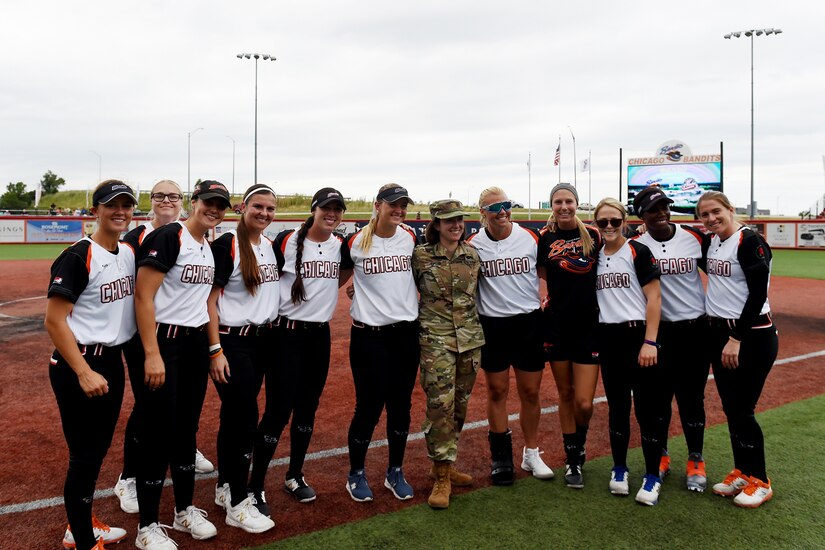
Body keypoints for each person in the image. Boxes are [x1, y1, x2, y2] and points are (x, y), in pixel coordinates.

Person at [132, 180, 231, 549]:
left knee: (186, 430)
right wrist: (152, 353)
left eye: (221, 205)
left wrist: (211, 349)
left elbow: (204, 305)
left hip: (191, 346)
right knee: (158, 434)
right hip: (165, 342)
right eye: (209, 202)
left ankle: (184, 509)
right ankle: (147, 526)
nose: (215, 210)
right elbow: (143, 297)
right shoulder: (170, 237)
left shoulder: (207, 246)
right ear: (194, 202)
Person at [45, 180, 138, 550]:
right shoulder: (78, 255)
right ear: (94, 211)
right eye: (111, 205)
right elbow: (54, 320)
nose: (120, 212)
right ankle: (83, 539)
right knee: (84, 456)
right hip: (78, 364)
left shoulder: (128, 253)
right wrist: (83, 372)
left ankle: (80, 524)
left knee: (95, 452)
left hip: (110, 362)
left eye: (127, 205)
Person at [248, 187, 353, 505]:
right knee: (278, 411)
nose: (332, 214)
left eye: (338, 209)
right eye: (326, 208)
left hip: (318, 336)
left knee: (307, 408)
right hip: (285, 337)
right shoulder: (286, 241)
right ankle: (254, 487)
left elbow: (343, 273)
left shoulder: (340, 246)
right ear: (314, 209)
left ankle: (294, 475)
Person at [116, 179, 214, 514]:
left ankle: (183, 449)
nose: (166, 201)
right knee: (149, 408)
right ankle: (129, 476)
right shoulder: (138, 238)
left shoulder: (197, 238)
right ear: (151, 201)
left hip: (185, 334)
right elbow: (133, 290)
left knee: (179, 411)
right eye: (159, 196)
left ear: (183, 200)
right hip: (145, 332)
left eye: (173, 196)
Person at [206, 184, 280, 532]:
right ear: (244, 208)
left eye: (270, 208)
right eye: (258, 207)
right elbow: (208, 301)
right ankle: (238, 502)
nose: (264, 214)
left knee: (234, 418)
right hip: (232, 343)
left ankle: (225, 487)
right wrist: (215, 350)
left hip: (261, 341)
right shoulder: (226, 245)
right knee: (245, 419)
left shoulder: (266, 246)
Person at [467, 187, 553, 485]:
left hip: (528, 324)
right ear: (483, 213)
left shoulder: (531, 238)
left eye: (506, 205)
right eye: (495, 207)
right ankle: (501, 457)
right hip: (492, 326)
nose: (503, 211)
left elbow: (550, 273)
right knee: (497, 391)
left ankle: (531, 453)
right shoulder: (473, 245)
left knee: (530, 392)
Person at [697, 191, 778, 508]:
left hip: (752, 336)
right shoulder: (713, 241)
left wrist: (737, 338)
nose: (711, 219)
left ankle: (761, 479)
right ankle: (743, 471)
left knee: (743, 409)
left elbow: (758, 294)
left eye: (715, 212)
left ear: (730, 209)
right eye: (704, 215)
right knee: (732, 408)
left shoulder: (750, 242)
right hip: (720, 333)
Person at [342, 184, 420, 502]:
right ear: (378, 206)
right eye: (393, 205)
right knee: (369, 407)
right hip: (369, 336)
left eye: (403, 205)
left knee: (401, 406)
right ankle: (356, 474)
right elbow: (340, 278)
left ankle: (395, 471)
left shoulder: (411, 238)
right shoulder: (356, 242)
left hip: (405, 334)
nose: (399, 210)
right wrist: (352, 289)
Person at [633, 186, 711, 492]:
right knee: (659, 400)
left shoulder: (693, 238)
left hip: (694, 330)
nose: (662, 213)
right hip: (658, 332)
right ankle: (662, 455)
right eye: (654, 209)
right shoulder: (636, 244)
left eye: (665, 207)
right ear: (642, 215)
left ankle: (696, 458)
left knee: (692, 398)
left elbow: (720, 271)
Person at [592, 197, 667, 506]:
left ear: (624, 221)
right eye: (602, 222)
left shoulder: (638, 251)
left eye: (614, 221)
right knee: (617, 408)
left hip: (637, 337)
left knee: (646, 410)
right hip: (608, 338)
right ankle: (619, 468)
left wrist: (650, 342)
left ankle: (652, 475)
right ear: (596, 225)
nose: (609, 227)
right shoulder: (594, 255)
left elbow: (655, 298)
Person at [412, 199, 484, 509]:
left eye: (459, 219)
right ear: (436, 224)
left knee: (460, 406)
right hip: (435, 340)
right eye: (448, 220)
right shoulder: (421, 256)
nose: (456, 224)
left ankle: (446, 464)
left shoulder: (472, 255)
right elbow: (397, 286)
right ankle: (441, 474)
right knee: (440, 405)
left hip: (469, 339)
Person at [538, 183, 602, 488]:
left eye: (569, 201)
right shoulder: (545, 237)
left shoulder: (594, 235)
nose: (564, 206)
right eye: (558, 201)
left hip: (589, 326)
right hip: (557, 326)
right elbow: (539, 271)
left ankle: (582, 439)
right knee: (564, 394)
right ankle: (573, 458)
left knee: (584, 402)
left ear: (577, 204)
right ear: (552, 205)